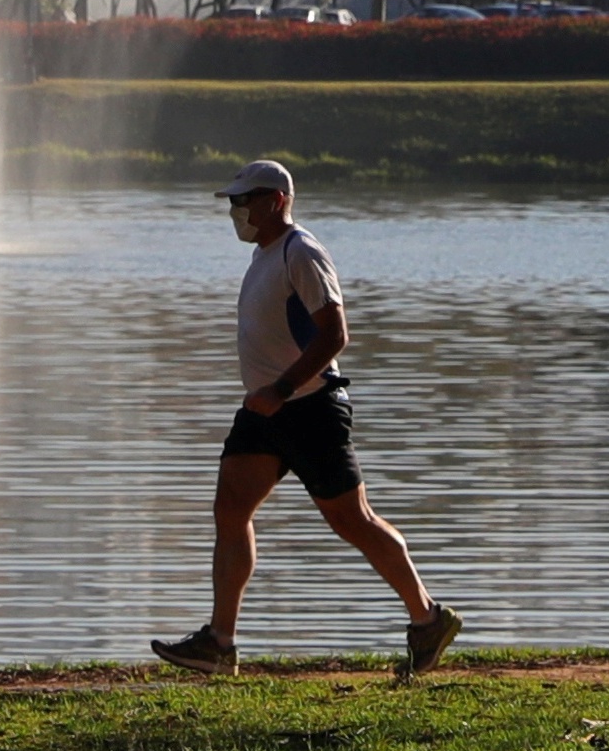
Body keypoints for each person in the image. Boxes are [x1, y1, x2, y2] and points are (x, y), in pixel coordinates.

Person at [152, 158, 461, 679]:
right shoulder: (263, 255)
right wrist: (267, 395)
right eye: (233, 202)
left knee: (352, 521)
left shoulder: (302, 251)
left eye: (242, 201)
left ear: (274, 201)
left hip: (310, 407)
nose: (235, 211)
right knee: (230, 509)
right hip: (264, 411)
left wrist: (283, 387)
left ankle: (428, 619)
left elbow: (335, 334)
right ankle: (219, 642)